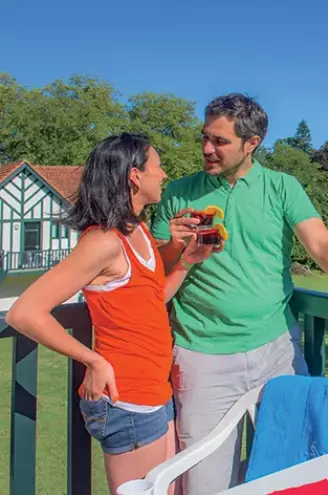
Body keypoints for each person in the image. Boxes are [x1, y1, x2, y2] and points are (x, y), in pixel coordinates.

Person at [150, 93, 328, 494]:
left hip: (276, 350)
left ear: (251, 143)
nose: (206, 149)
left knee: (293, 468)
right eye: (205, 137)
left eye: (219, 141)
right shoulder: (180, 194)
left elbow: (320, 244)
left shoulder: (282, 187)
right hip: (202, 353)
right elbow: (158, 270)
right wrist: (177, 246)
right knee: (204, 479)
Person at [4, 133, 217, 494]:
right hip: (127, 400)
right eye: (157, 166)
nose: (163, 174)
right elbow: (24, 312)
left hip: (155, 393)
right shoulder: (102, 242)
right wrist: (93, 360)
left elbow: (151, 300)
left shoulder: (139, 230)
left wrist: (185, 262)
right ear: (135, 176)